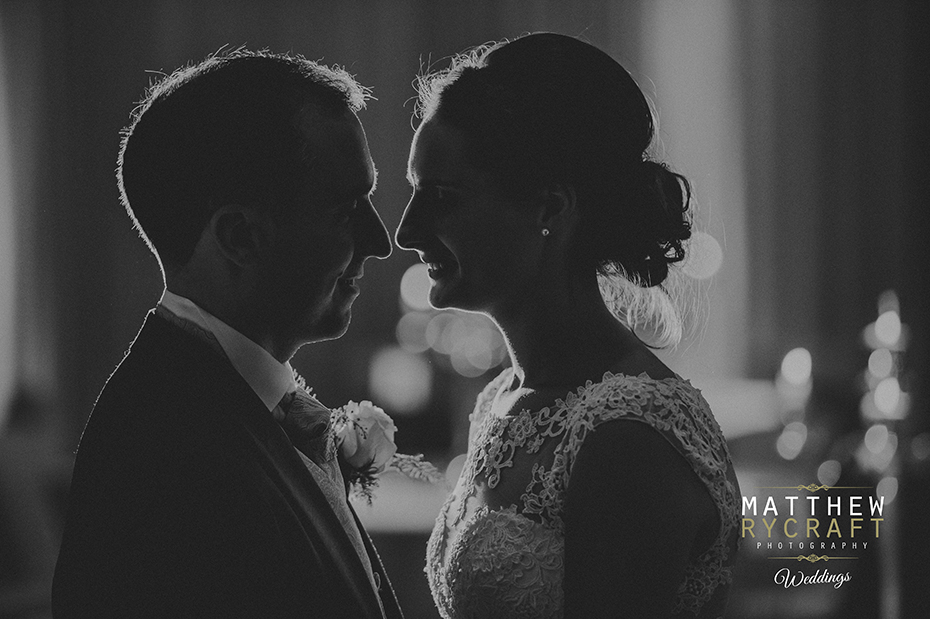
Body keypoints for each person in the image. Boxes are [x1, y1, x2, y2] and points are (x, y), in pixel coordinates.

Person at [396, 33, 740, 618]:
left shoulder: (627, 434)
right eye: (413, 193)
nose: (406, 231)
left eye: (442, 197)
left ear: (549, 207)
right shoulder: (502, 399)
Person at [52, 50, 403, 619]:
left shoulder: (222, 400)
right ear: (240, 237)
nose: (380, 239)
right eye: (346, 210)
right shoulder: (165, 457)